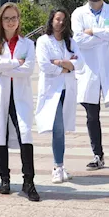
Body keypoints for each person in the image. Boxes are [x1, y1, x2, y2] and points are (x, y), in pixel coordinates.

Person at [0, 2, 40, 201]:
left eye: (14, 18)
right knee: (0, 134)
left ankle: (29, 182)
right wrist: (17, 63)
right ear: (1, 20)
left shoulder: (28, 44)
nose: (10, 22)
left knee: (25, 134)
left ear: (18, 20)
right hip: (0, 94)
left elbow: (29, 69)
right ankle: (4, 178)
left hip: (20, 95)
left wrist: (7, 67)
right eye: (6, 18)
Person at [71, 0, 109, 170]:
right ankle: (97, 155)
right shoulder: (78, 13)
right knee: (92, 116)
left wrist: (93, 32)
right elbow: (79, 40)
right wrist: (103, 35)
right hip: (89, 70)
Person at [36, 9, 81, 183]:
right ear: (51, 20)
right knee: (58, 128)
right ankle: (57, 166)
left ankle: (60, 166)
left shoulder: (70, 41)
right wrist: (66, 67)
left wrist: (60, 63)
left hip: (66, 89)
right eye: (57, 19)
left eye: (63, 20)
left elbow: (79, 62)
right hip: (51, 90)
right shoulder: (43, 41)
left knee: (61, 130)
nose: (60, 23)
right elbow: (44, 65)